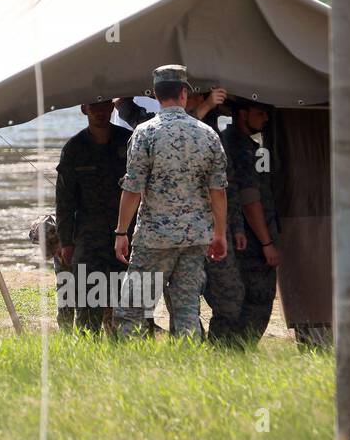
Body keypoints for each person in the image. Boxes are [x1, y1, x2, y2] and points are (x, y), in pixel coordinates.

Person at [113, 65, 228, 339]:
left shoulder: (144, 133)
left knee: (133, 306)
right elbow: (218, 191)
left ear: (155, 93)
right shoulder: (208, 134)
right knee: (187, 305)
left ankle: (129, 364)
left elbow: (133, 189)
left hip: (155, 237)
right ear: (184, 93)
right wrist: (219, 233)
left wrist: (121, 231)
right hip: (195, 236)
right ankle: (188, 365)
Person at [54, 99, 131, 332]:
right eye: (94, 106)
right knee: (88, 303)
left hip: (126, 231)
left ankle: (128, 350)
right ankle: (89, 347)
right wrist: (66, 241)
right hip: (89, 234)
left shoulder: (128, 141)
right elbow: (64, 200)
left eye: (105, 105)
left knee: (130, 299)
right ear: (84, 109)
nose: (100, 111)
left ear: (112, 107)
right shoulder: (74, 148)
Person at [221, 100, 280, 343]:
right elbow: (249, 198)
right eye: (259, 113)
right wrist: (267, 242)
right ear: (242, 114)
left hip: (241, 236)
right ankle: (239, 349)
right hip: (251, 240)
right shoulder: (240, 147)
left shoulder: (233, 141)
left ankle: (234, 349)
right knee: (258, 296)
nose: (265, 118)